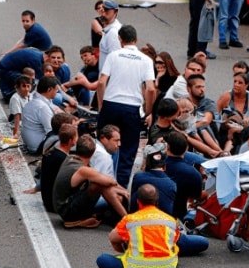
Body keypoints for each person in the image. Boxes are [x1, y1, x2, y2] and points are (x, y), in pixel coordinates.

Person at [130, 133, 210, 256]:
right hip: (172, 221)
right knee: (202, 241)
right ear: (186, 148)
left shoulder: (143, 174)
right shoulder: (191, 174)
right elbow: (197, 196)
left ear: (167, 147)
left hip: (142, 221)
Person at [96, 25, 157, 186]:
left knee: (102, 145)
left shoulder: (113, 55)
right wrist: (148, 109)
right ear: (136, 40)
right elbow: (150, 88)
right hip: (131, 108)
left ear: (120, 39)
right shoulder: (146, 60)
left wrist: (101, 104)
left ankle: (99, 182)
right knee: (128, 151)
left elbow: (102, 82)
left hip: (111, 104)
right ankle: (120, 189)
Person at [95, 183, 181, 268]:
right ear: (156, 202)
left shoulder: (131, 220)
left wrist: (122, 249)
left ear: (138, 201)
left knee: (103, 259)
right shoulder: (171, 221)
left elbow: (113, 238)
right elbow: (174, 243)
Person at [54, 135, 130, 228]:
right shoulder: (84, 170)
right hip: (67, 211)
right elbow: (111, 182)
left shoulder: (70, 158)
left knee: (101, 184)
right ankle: (127, 220)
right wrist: (124, 191)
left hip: (63, 205)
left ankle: (124, 218)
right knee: (100, 184)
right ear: (93, 153)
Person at [39, 124, 78, 213]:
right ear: (71, 140)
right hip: (56, 204)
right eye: (76, 136)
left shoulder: (50, 151)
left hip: (47, 199)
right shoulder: (64, 159)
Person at [21, 76, 60, 154]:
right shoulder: (43, 107)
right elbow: (51, 131)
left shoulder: (34, 97)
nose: (57, 92)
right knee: (72, 139)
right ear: (49, 89)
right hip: (38, 146)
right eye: (56, 89)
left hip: (30, 142)